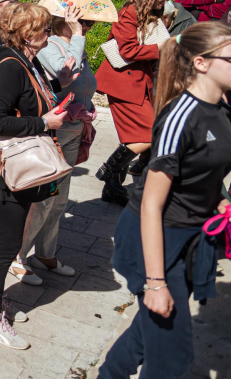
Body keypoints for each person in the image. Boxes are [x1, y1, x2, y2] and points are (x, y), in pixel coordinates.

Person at [98, 22, 231, 379]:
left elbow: (208, 170)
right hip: (153, 239)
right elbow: (151, 206)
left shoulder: (223, 109)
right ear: (202, 63)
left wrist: (220, 201)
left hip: (190, 237)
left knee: (150, 329)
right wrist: (155, 283)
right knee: (173, 355)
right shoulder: (179, 116)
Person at [0, 2, 69, 350]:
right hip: (4, 171)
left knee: (7, 242)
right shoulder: (11, 66)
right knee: (5, 245)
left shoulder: (24, 61)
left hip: (16, 168)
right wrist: (45, 123)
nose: (50, 34)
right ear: (28, 34)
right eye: (46, 30)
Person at [14, 5, 98, 285]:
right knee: (44, 199)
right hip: (55, 132)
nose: (87, 27)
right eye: (83, 21)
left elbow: (84, 84)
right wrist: (77, 36)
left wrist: (87, 109)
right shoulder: (51, 45)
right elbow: (66, 73)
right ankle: (19, 256)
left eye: (90, 23)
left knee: (60, 199)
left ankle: (46, 253)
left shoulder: (77, 45)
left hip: (74, 129)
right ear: (65, 20)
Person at [94, 0, 174, 204]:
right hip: (123, 83)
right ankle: (110, 169)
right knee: (149, 134)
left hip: (138, 82)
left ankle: (112, 188)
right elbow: (127, 51)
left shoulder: (148, 13)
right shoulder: (128, 12)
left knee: (133, 137)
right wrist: (164, 47)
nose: (166, 1)